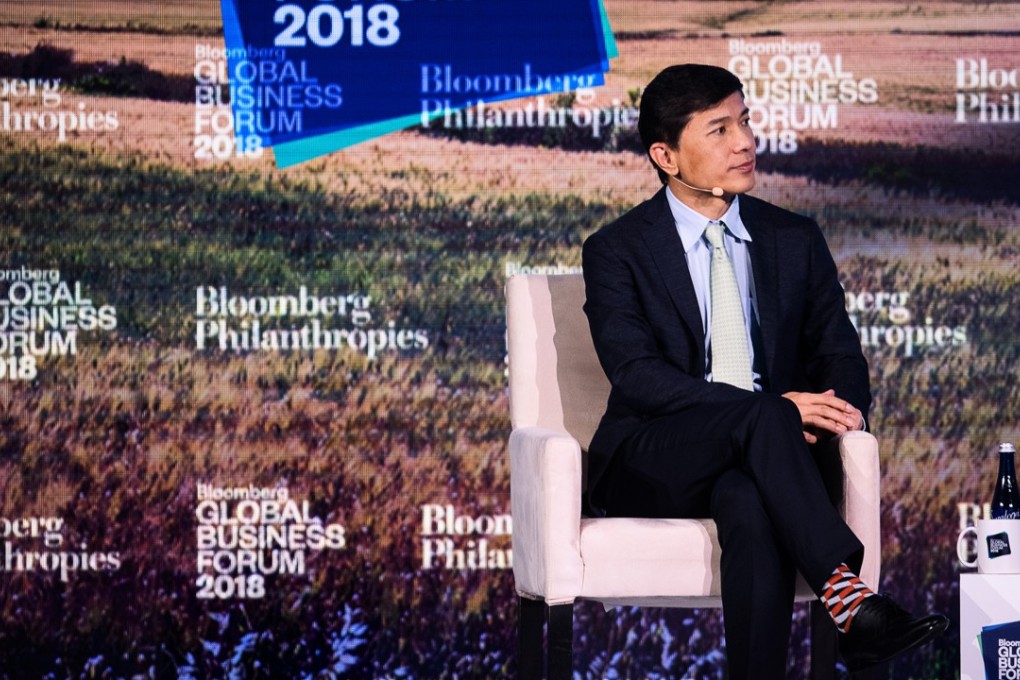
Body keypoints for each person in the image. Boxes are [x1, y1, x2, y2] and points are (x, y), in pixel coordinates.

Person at [581, 64, 948, 678]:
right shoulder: (617, 248)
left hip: (769, 457)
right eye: (719, 129)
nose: (745, 141)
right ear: (666, 156)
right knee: (764, 417)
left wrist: (829, 417)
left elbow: (840, 354)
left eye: (745, 120)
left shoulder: (793, 238)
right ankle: (850, 600)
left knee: (747, 501)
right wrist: (771, 414)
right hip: (656, 457)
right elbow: (636, 374)